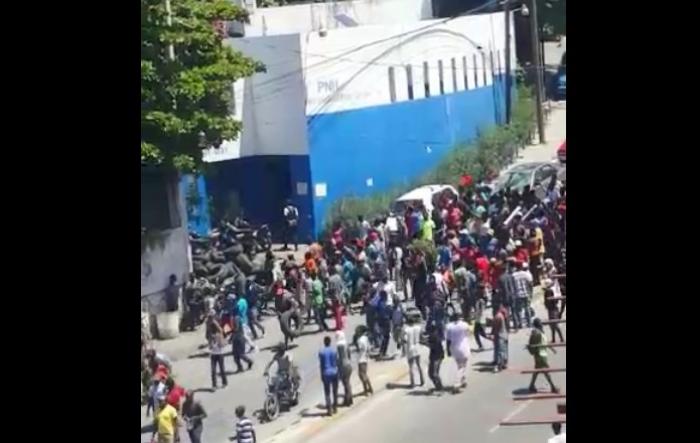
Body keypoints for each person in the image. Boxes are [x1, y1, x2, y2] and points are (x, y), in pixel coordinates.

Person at [527, 318, 560, 393]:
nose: (542, 324)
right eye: (540, 323)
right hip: (540, 354)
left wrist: (552, 348)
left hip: (542, 353)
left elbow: (545, 342)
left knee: (537, 370)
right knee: (545, 371)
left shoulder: (540, 332)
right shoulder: (537, 333)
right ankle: (553, 387)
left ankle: (531, 386)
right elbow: (536, 344)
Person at [445, 313, 471, 392]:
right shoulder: (464, 325)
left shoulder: (449, 326)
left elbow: (448, 340)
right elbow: (469, 333)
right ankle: (457, 383)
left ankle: (463, 380)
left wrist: (448, 350)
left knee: (460, 365)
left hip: (454, 348)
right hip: (464, 347)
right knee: (462, 366)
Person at [206, 311, 228, 389]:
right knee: (213, 370)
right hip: (213, 354)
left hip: (220, 354)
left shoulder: (219, 334)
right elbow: (209, 344)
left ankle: (224, 382)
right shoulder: (210, 335)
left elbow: (220, 330)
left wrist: (214, 321)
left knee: (222, 369)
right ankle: (214, 385)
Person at [318, 336, 339, 415]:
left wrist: (321, 375)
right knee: (335, 391)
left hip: (326, 373)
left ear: (324, 343)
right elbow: (336, 361)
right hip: (334, 372)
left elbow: (321, 365)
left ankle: (329, 409)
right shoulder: (334, 351)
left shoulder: (321, 352)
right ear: (330, 342)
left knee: (327, 392)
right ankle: (335, 407)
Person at [403, 314, 425, 388]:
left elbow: (405, 340)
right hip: (417, 347)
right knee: (419, 365)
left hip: (410, 348)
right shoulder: (418, 328)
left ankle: (412, 383)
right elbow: (422, 337)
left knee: (411, 366)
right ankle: (422, 380)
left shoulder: (407, 330)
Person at [512, 261, 534, 330]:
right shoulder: (526, 274)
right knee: (527, 308)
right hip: (526, 293)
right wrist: (531, 292)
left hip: (517, 294)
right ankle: (529, 323)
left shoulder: (513, 275)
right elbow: (530, 284)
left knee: (518, 310)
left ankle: (520, 324)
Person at [354, 326, 374, 396]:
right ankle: (370, 388)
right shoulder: (365, 338)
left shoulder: (359, 340)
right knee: (364, 374)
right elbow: (369, 347)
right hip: (365, 357)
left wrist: (356, 349)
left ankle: (366, 390)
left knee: (361, 375)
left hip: (361, 359)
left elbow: (360, 349)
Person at [336, 331, 354, 406]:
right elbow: (349, 355)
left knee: (346, 384)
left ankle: (348, 400)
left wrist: (337, 365)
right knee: (348, 383)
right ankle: (350, 399)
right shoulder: (346, 343)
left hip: (343, 366)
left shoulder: (339, 345)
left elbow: (340, 358)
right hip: (348, 365)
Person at [492, 303, 509, 372]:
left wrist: (493, 334)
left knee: (500, 350)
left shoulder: (498, 316)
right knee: (504, 350)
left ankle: (499, 366)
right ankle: (504, 363)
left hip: (500, 335)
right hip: (504, 334)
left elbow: (496, 327)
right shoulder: (503, 314)